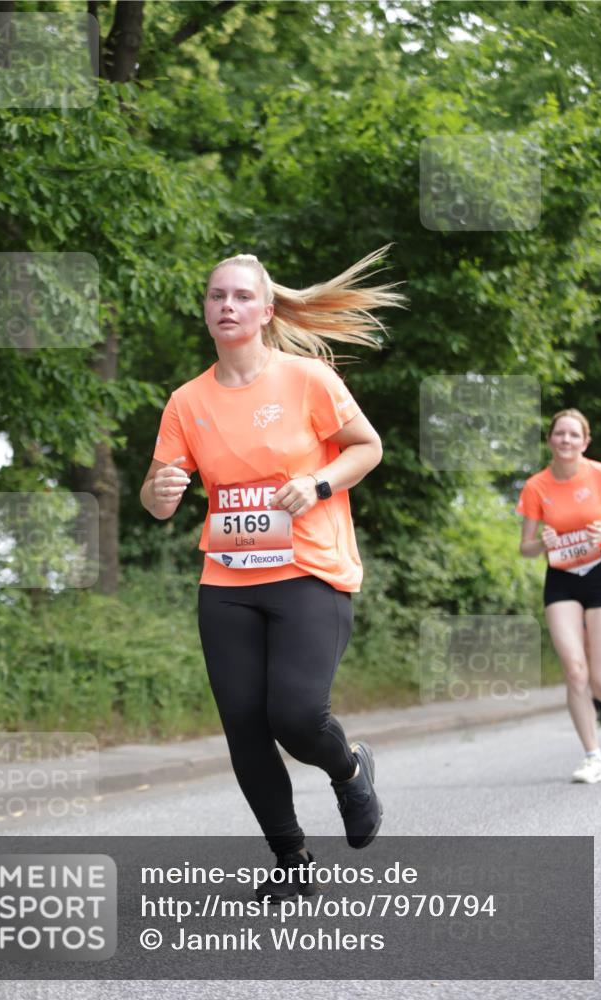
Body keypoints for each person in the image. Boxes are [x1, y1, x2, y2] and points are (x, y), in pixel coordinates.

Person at [140, 248, 404, 901]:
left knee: (295, 713)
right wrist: (162, 485)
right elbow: (155, 502)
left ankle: (348, 770)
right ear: (205, 310)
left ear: (263, 311)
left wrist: (315, 483)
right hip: (226, 581)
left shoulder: (306, 379)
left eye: (239, 297)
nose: (225, 306)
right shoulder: (186, 401)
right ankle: (290, 860)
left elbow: (366, 448)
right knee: (244, 726)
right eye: (215, 296)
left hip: (308, 570)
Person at [517, 408, 601, 783]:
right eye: (560, 434)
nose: (566, 440)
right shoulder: (536, 486)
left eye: (574, 435)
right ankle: (592, 757)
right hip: (560, 578)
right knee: (575, 671)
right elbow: (524, 547)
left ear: (585, 442)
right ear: (550, 439)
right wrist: (540, 542)